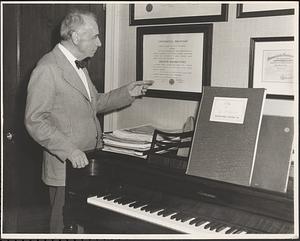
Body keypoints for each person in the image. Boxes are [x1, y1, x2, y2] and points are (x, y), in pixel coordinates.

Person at [24, 9, 153, 233]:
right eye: (95, 36)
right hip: (66, 168)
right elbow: (35, 120)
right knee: (63, 228)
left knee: (87, 226)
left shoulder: (79, 65)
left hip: (91, 164)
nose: (100, 42)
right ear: (75, 37)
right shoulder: (47, 68)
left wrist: (128, 92)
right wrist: (69, 150)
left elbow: (94, 103)